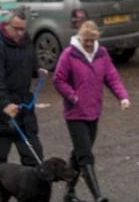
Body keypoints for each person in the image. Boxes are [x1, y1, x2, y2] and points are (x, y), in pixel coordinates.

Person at [53, 19, 131, 202]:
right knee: (86, 155)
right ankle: (98, 196)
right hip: (75, 113)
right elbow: (58, 79)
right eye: (85, 40)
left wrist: (123, 97)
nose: (88, 44)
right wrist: (72, 96)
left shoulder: (101, 54)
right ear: (80, 37)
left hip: (93, 111)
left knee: (79, 152)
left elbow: (112, 77)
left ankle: (69, 192)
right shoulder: (69, 54)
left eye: (91, 40)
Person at [0, 7, 47, 166]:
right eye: (16, 29)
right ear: (6, 25)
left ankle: (31, 189)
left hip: (24, 107)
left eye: (22, 29)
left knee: (34, 158)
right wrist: (5, 104)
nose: (19, 33)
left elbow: (30, 62)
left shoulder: (27, 43)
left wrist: (37, 69)